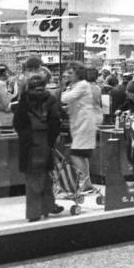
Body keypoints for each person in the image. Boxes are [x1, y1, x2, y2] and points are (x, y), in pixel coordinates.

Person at [12, 69, 63, 222]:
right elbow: (55, 121)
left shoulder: (25, 99)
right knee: (45, 173)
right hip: (45, 140)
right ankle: (47, 206)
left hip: (30, 142)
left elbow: (18, 122)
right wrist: (52, 140)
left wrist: (24, 135)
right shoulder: (51, 99)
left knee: (33, 176)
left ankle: (34, 212)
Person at [59, 61, 97, 193]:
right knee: (82, 154)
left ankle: (84, 181)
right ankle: (87, 183)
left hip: (84, 123)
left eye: (70, 73)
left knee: (75, 154)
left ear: (78, 73)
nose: (67, 74)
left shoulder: (82, 85)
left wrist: (62, 87)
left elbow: (65, 98)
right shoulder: (75, 85)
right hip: (79, 123)